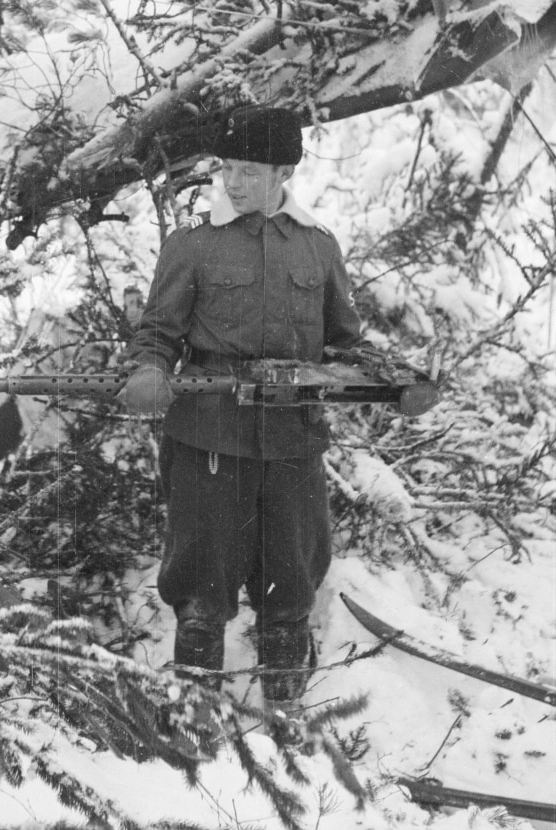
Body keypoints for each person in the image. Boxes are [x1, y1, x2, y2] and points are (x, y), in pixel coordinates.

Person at [122, 105, 438, 705]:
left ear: (281, 172)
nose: (232, 182)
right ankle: (195, 712)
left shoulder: (316, 248)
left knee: (291, 581)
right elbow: (158, 332)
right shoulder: (191, 245)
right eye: (227, 169)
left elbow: (345, 339)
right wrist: (148, 370)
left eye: (247, 171)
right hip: (210, 437)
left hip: (293, 440)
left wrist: (393, 379)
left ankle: (286, 716)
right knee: (200, 588)